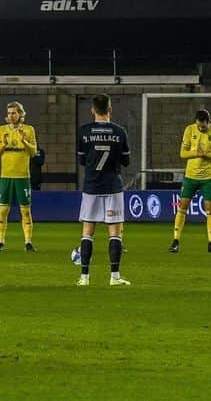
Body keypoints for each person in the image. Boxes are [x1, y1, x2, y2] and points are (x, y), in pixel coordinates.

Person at [75, 94, 131, 286]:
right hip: (113, 186)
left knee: (88, 231)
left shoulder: (83, 131)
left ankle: (84, 278)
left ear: (92, 110)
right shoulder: (120, 131)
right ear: (110, 109)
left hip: (91, 186)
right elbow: (126, 161)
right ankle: (114, 277)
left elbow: (82, 160)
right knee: (115, 232)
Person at [170, 108, 211, 254]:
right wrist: (196, 153)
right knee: (182, 208)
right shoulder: (189, 130)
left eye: (203, 126)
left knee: (210, 211)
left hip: (207, 178)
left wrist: (206, 154)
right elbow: (182, 153)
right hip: (190, 177)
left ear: (209, 122)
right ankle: (175, 241)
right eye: (199, 126)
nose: (201, 128)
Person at [0, 100, 37, 251]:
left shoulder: (29, 130)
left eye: (14, 113)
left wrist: (24, 141)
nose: (11, 116)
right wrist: (4, 144)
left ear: (20, 114)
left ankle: (28, 242)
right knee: (3, 209)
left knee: (25, 210)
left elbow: (33, 152)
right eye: (9, 113)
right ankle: (0, 241)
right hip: (6, 176)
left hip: (23, 176)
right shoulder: (1, 130)